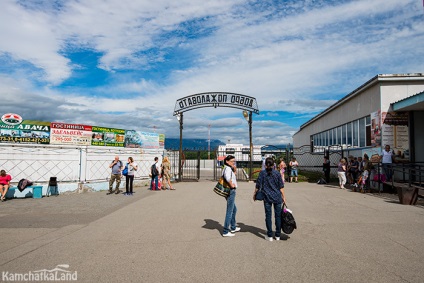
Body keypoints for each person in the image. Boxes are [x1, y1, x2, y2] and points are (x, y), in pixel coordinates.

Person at [254, 157, 286, 241]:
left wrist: (254, 194)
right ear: (273, 164)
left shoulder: (262, 173)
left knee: (268, 216)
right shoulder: (277, 173)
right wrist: (284, 197)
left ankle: (270, 235)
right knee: (278, 216)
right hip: (277, 196)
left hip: (267, 197)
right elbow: (281, 186)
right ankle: (278, 235)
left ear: (265, 165)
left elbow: (258, 185)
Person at [222, 155, 239, 237]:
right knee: (230, 210)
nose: (234, 163)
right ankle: (225, 231)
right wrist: (232, 186)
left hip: (230, 191)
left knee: (234, 209)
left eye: (234, 161)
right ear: (227, 161)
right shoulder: (228, 169)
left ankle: (233, 227)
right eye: (232, 161)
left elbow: (232, 176)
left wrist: (235, 170)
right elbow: (228, 178)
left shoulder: (228, 168)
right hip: (230, 191)